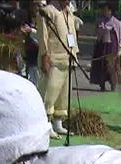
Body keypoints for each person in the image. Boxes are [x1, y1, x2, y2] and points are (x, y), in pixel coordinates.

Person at [37, 0, 78, 139]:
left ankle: (58, 123)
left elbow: (72, 34)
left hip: (68, 57)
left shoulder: (69, 12)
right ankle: (45, 124)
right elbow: (43, 36)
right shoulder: (47, 11)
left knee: (64, 94)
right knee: (50, 92)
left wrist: (74, 53)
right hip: (53, 58)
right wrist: (44, 56)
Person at [90, 3, 121, 91]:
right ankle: (102, 85)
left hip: (111, 47)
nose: (104, 12)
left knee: (111, 66)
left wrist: (119, 49)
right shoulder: (100, 21)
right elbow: (96, 33)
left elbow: (119, 36)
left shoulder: (117, 22)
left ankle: (113, 85)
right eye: (103, 10)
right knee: (101, 65)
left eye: (106, 10)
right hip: (101, 46)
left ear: (110, 11)